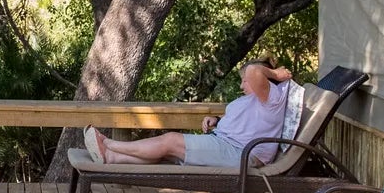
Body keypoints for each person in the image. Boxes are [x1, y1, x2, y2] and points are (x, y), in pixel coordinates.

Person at [88, 62, 297, 167]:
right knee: (167, 153)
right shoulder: (252, 101)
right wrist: (217, 121)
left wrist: (275, 74)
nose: (242, 85)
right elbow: (248, 122)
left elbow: (253, 70)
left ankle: (109, 144)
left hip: (241, 153)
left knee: (170, 141)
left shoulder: (272, 98)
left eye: (245, 81)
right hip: (226, 143)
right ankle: (111, 157)